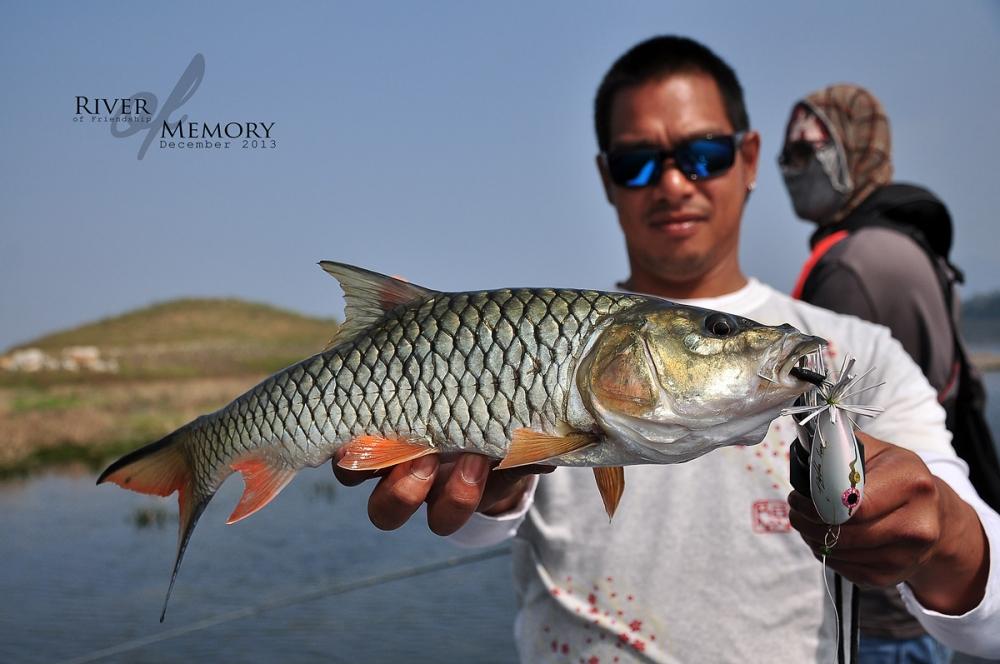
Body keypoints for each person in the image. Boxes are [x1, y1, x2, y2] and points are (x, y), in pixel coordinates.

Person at [333, 37, 1000, 662]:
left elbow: (992, 611)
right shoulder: (543, 346)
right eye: (637, 163)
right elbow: (486, 524)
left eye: (703, 153)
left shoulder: (858, 351)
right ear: (605, 178)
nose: (674, 183)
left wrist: (948, 534)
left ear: (748, 158)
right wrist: (489, 495)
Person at [780, 83, 1000, 662]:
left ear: (851, 153)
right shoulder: (910, 249)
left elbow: (834, 428)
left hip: (879, 604)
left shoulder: (852, 267)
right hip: (918, 597)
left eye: (804, 152)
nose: (788, 170)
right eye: (785, 155)